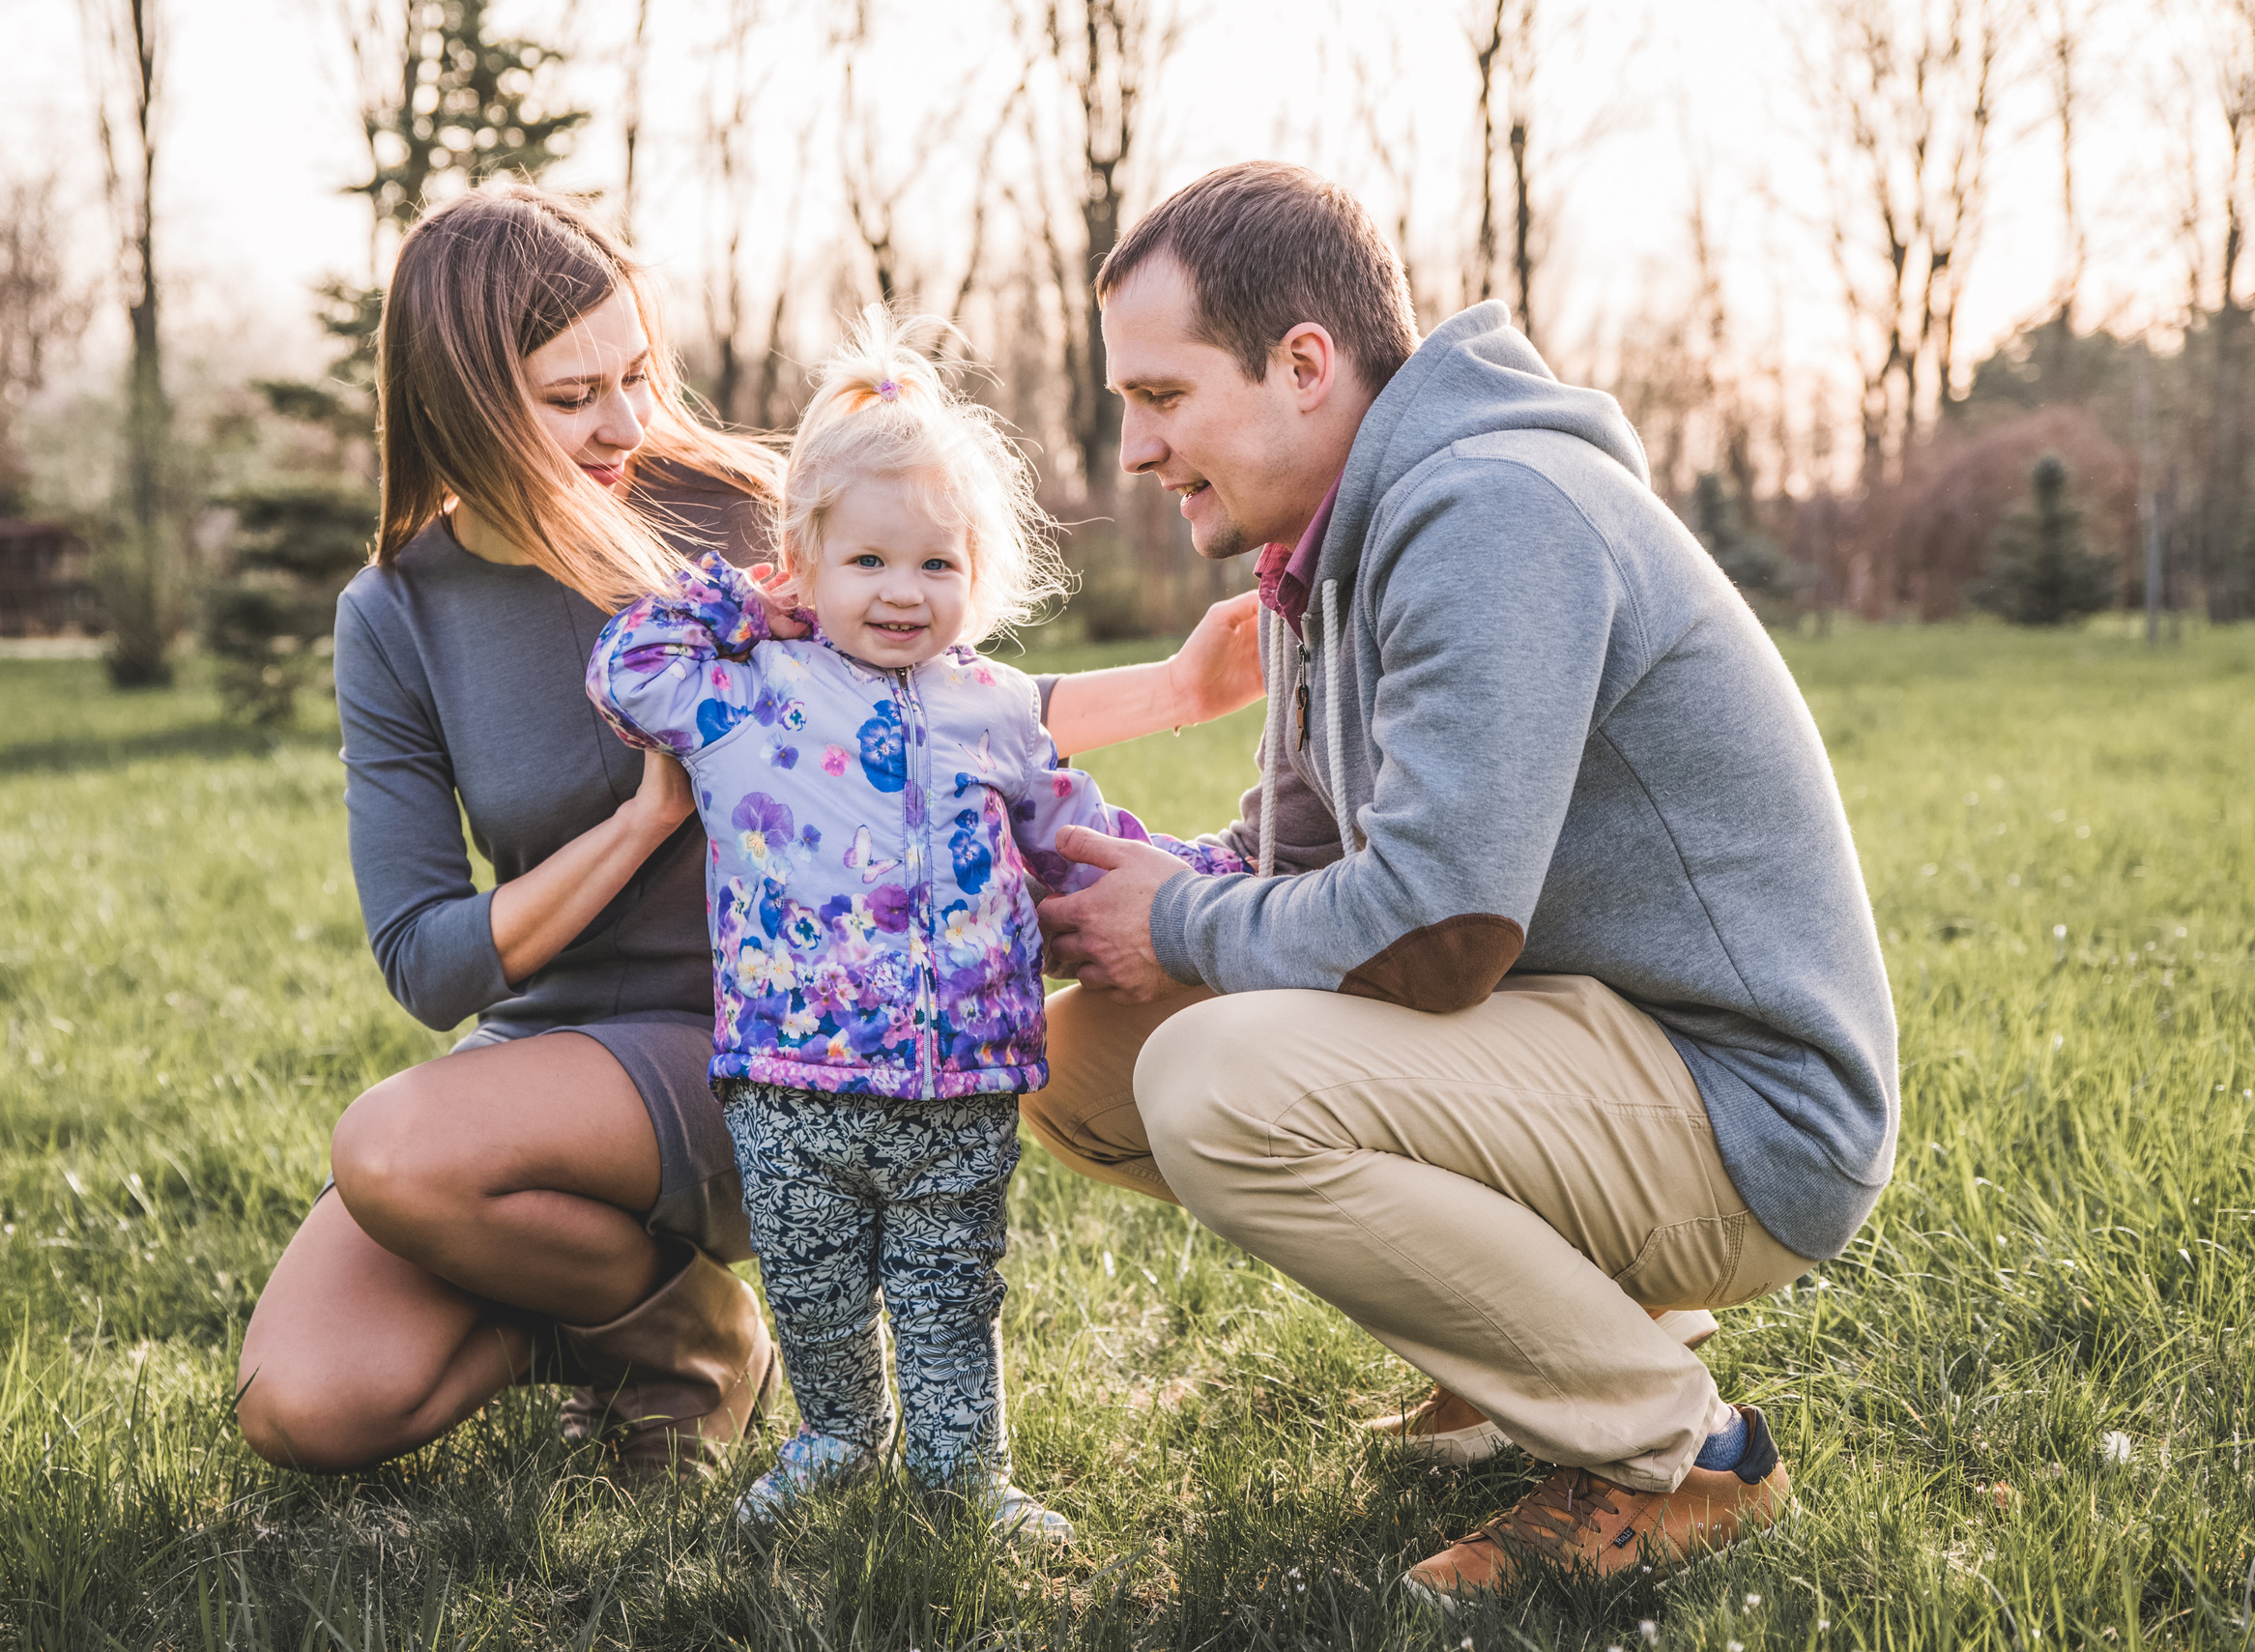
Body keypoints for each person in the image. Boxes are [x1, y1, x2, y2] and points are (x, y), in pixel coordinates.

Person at [232, 187, 1266, 1478]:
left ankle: (675, 1340)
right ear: (465, 406)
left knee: (393, 1146)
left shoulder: (741, 510)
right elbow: (430, 963)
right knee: (307, 1403)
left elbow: (941, 714)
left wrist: (1176, 691)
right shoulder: (395, 614)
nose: (626, 423)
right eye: (572, 398)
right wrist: (646, 814)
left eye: (638, 374)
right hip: (543, 1064)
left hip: (772, 1035)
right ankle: (660, 1335)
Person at [1023, 162, 1898, 1602]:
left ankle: (1681, 1455)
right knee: (1086, 1064)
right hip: (1590, 1036)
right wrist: (1092, 887)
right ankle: (1520, 1364)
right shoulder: (1338, 543)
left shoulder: (1492, 511)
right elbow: (1291, 865)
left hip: (1751, 1109)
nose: (1132, 447)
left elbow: (1436, 930)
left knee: (1217, 1082)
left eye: (1162, 397)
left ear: (1305, 364)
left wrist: (1175, 920)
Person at [588, 309, 1244, 1536]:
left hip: (959, 1078)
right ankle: (834, 1435)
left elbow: (1072, 838)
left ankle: (962, 1474)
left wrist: (1199, 873)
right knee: (816, 1282)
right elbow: (627, 659)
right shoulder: (740, 691)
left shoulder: (996, 708)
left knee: (950, 1288)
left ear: (978, 576)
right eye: (869, 563)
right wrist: (752, 602)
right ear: (807, 562)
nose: (903, 592)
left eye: (937, 565)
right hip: (788, 1074)